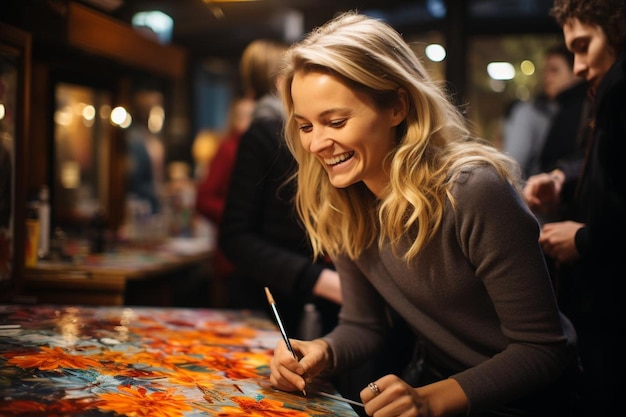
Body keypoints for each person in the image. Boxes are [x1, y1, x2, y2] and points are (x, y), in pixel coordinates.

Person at [268, 11, 580, 417]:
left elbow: (543, 349)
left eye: (336, 121)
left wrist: (429, 398)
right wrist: (321, 352)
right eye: (305, 126)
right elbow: (363, 324)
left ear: (397, 107)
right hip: (438, 382)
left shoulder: (473, 190)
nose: (316, 144)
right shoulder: (343, 199)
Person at [523, 0, 625, 415]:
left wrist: (584, 239)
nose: (579, 65)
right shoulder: (605, 90)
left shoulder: (619, 88)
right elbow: (599, 162)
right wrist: (563, 180)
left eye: (584, 46)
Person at [219, 39, 342, 338]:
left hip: (334, 313)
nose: (317, 140)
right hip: (272, 302)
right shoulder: (265, 131)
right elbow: (235, 235)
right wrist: (318, 279)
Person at [195, 97, 254, 286]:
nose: (251, 121)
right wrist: (236, 215)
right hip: (234, 252)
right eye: (245, 116)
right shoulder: (228, 149)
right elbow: (204, 198)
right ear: (235, 120)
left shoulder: (260, 147)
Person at [503, 45, 585, 178]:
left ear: (575, 72)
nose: (547, 77)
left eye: (554, 70)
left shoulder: (578, 109)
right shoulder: (557, 109)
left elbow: (513, 166)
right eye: (545, 71)